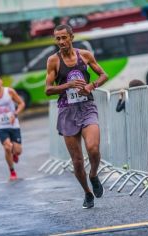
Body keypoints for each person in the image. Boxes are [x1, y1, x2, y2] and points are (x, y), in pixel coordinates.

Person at [45, 24, 108, 209]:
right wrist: (68, 85)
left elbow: (104, 74)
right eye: (57, 39)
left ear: (71, 37)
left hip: (87, 106)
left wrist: (91, 86)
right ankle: (87, 193)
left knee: (93, 148)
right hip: (66, 111)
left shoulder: (85, 55)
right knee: (78, 161)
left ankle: (94, 175)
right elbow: (48, 89)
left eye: (64, 37)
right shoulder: (53, 61)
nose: (61, 42)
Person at [0, 74, 25, 181]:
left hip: (13, 124)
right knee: (7, 147)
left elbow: (21, 104)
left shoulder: (10, 92)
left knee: (18, 150)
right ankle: (12, 171)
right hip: (0, 126)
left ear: (1, 81)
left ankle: (15, 153)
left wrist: (15, 114)